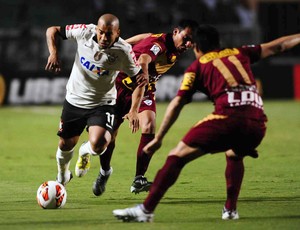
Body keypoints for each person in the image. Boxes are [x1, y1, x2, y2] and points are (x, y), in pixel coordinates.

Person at [112, 24, 300, 222]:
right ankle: (230, 210)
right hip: (258, 123)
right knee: (235, 154)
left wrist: (159, 138)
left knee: (177, 156)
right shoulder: (240, 52)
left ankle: (146, 210)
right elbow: (278, 46)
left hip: (227, 118)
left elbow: (177, 103)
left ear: (197, 48)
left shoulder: (198, 67)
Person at [76, 19, 199, 196]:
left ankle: (139, 178)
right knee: (108, 139)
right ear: (175, 32)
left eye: (191, 40)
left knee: (149, 124)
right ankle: (104, 172)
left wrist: (123, 44)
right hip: (119, 88)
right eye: (185, 38)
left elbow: (146, 37)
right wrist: (134, 108)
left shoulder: (167, 44)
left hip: (144, 89)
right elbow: (143, 61)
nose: (188, 44)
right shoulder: (159, 45)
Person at [45, 13, 147, 187]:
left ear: (118, 33)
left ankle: (86, 151)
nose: (104, 37)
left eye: (109, 34)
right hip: (74, 99)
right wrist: (53, 53)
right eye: (101, 32)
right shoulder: (84, 31)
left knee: (99, 145)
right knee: (65, 144)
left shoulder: (124, 51)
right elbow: (52, 30)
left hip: (103, 103)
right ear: (97, 29)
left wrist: (134, 110)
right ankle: (62, 176)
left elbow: (141, 81)